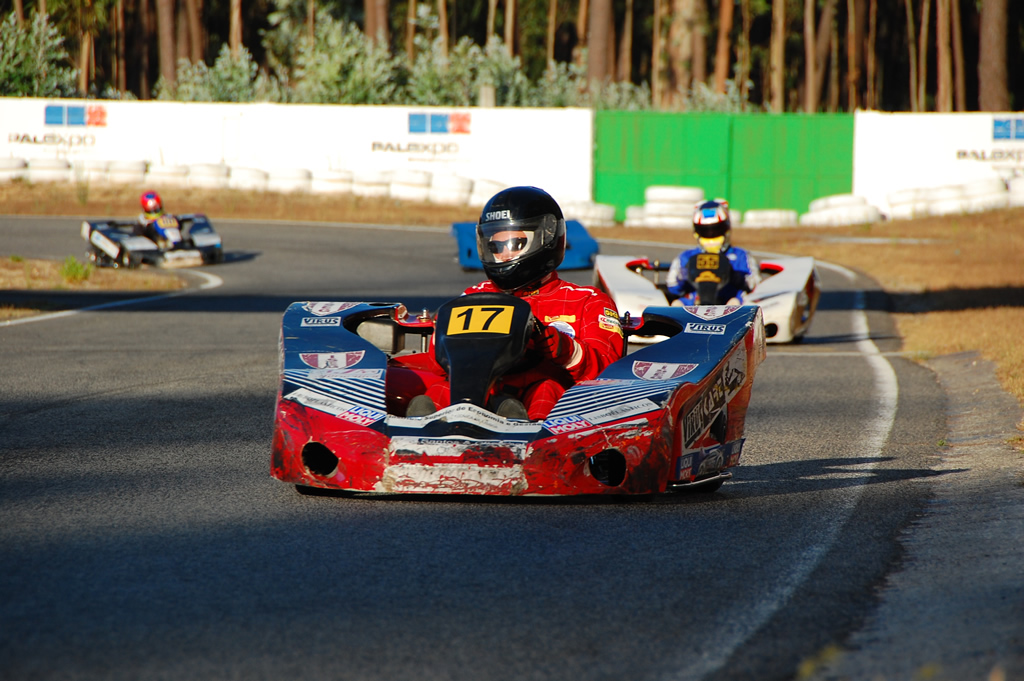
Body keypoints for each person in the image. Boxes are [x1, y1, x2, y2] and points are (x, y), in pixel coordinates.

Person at [396, 186, 624, 420]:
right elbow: (437, 365)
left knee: (547, 390)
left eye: (515, 243)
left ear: (546, 238)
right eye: (496, 246)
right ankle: (421, 437)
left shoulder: (586, 300)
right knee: (440, 390)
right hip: (478, 396)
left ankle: (531, 441)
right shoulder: (473, 297)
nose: (503, 254)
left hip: (546, 406)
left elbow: (608, 371)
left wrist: (560, 347)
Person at [665, 198, 760, 305]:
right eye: (705, 230)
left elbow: (755, 286)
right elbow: (672, 287)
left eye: (716, 230)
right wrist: (683, 276)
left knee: (736, 303)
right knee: (676, 304)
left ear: (726, 229)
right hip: (694, 305)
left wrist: (735, 276)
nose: (711, 235)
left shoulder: (741, 256)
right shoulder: (685, 257)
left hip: (728, 304)